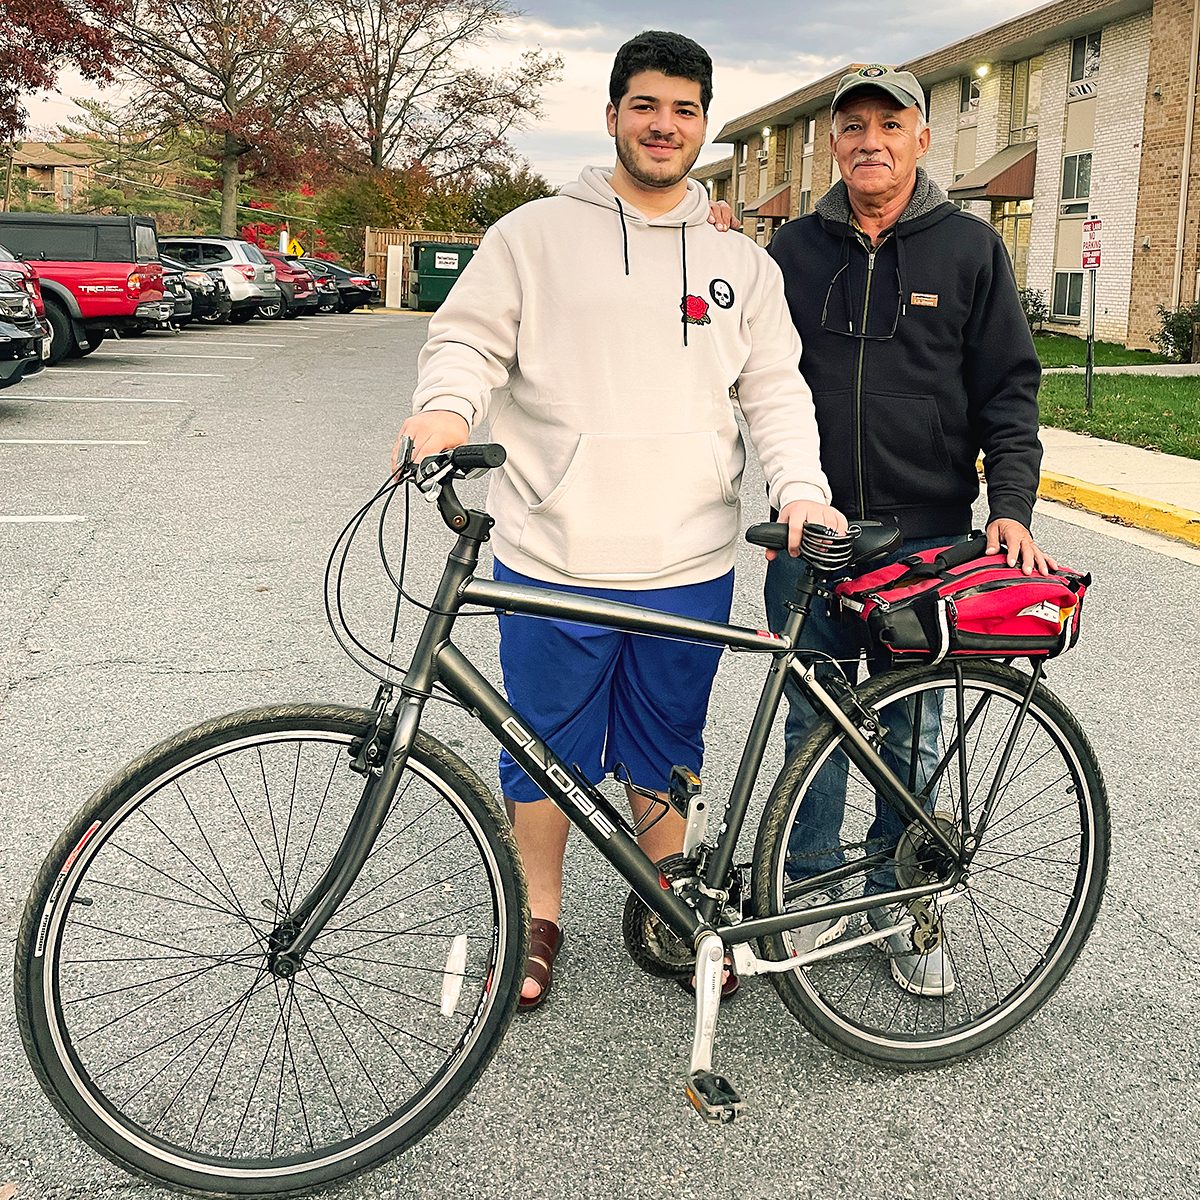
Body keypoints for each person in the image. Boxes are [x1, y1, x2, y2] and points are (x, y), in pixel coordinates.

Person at [393, 30, 845, 1010]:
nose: (664, 125)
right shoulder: (532, 237)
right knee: (541, 751)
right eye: (647, 105)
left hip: (686, 557)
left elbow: (775, 390)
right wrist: (444, 409)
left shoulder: (737, 257)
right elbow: (467, 343)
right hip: (553, 552)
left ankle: (666, 901)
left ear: (703, 125)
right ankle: (538, 913)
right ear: (612, 117)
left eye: (684, 110)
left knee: (667, 749)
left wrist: (800, 487)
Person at [764, 65, 1054, 997]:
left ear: (923, 139)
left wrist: (1009, 506)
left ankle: (902, 899)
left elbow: (1010, 388)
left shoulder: (969, 249)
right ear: (834, 143)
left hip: (929, 537)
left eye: (891, 124)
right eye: (853, 126)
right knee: (808, 715)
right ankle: (809, 895)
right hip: (813, 527)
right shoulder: (792, 252)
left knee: (914, 731)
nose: (870, 141)